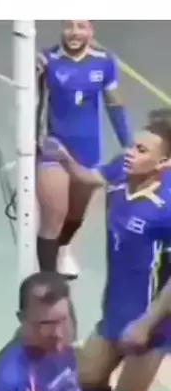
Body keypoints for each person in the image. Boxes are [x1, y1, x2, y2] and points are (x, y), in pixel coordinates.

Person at [42, 117, 171, 391]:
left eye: (141, 150)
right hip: (114, 312)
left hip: (152, 325)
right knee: (86, 378)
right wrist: (64, 159)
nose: (130, 153)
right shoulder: (121, 171)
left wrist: (146, 326)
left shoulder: (166, 209)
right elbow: (92, 178)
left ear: (163, 163)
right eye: (132, 146)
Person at [36, 20, 131, 279]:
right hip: (54, 148)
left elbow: (114, 105)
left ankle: (63, 248)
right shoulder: (46, 60)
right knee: (53, 215)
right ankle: (47, 280)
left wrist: (128, 144)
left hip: (87, 151)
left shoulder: (105, 62)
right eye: (69, 26)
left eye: (81, 26)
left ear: (91, 31)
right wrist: (35, 140)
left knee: (75, 215)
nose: (75, 32)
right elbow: (34, 101)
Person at [0, 271, 80, 391]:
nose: (58, 334)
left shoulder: (67, 347)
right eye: (46, 324)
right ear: (23, 319)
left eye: (62, 320)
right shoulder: (6, 382)